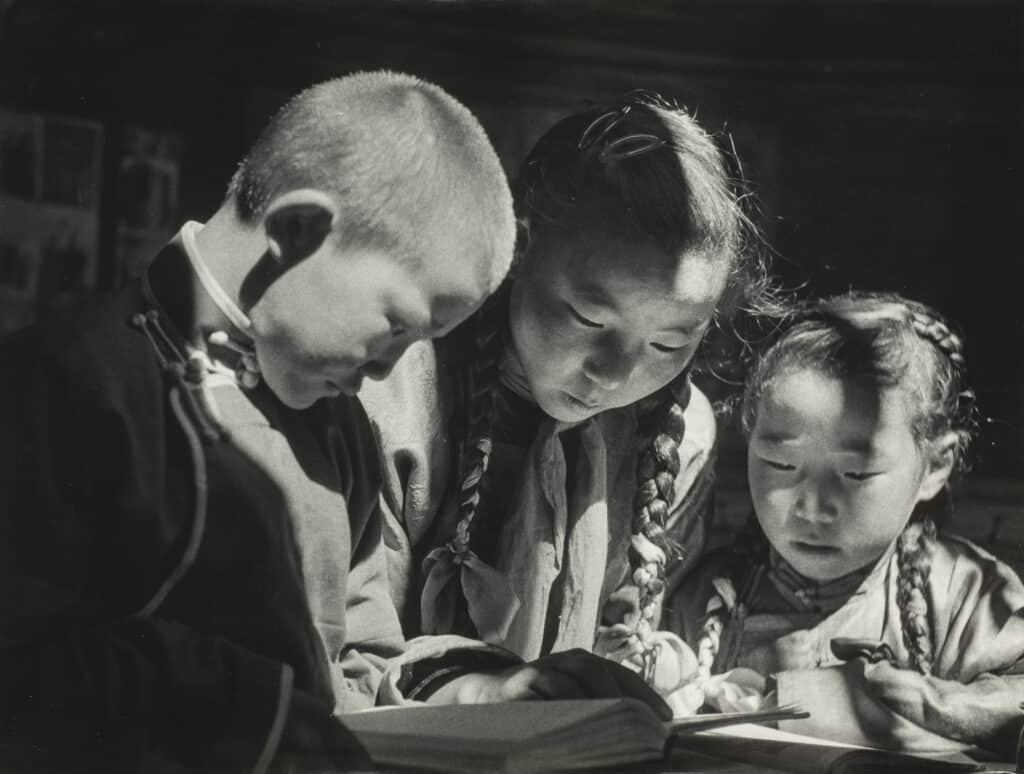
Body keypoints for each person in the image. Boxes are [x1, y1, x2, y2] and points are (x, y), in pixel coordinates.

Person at [0, 71, 666, 774]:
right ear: (296, 231)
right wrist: (246, 711)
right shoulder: (66, 386)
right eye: (396, 326)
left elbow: (355, 665)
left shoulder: (336, 422)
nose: (387, 371)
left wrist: (472, 692)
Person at [360, 91, 773, 703]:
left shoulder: (682, 435)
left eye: (668, 345)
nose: (614, 375)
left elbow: (631, 646)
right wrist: (474, 692)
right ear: (520, 247)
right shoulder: (394, 394)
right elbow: (342, 654)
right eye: (587, 318)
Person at [663, 292, 1024, 755]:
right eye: (779, 463)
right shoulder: (701, 597)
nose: (813, 506)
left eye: (855, 474)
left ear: (935, 465)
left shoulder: (968, 597)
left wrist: (850, 697)